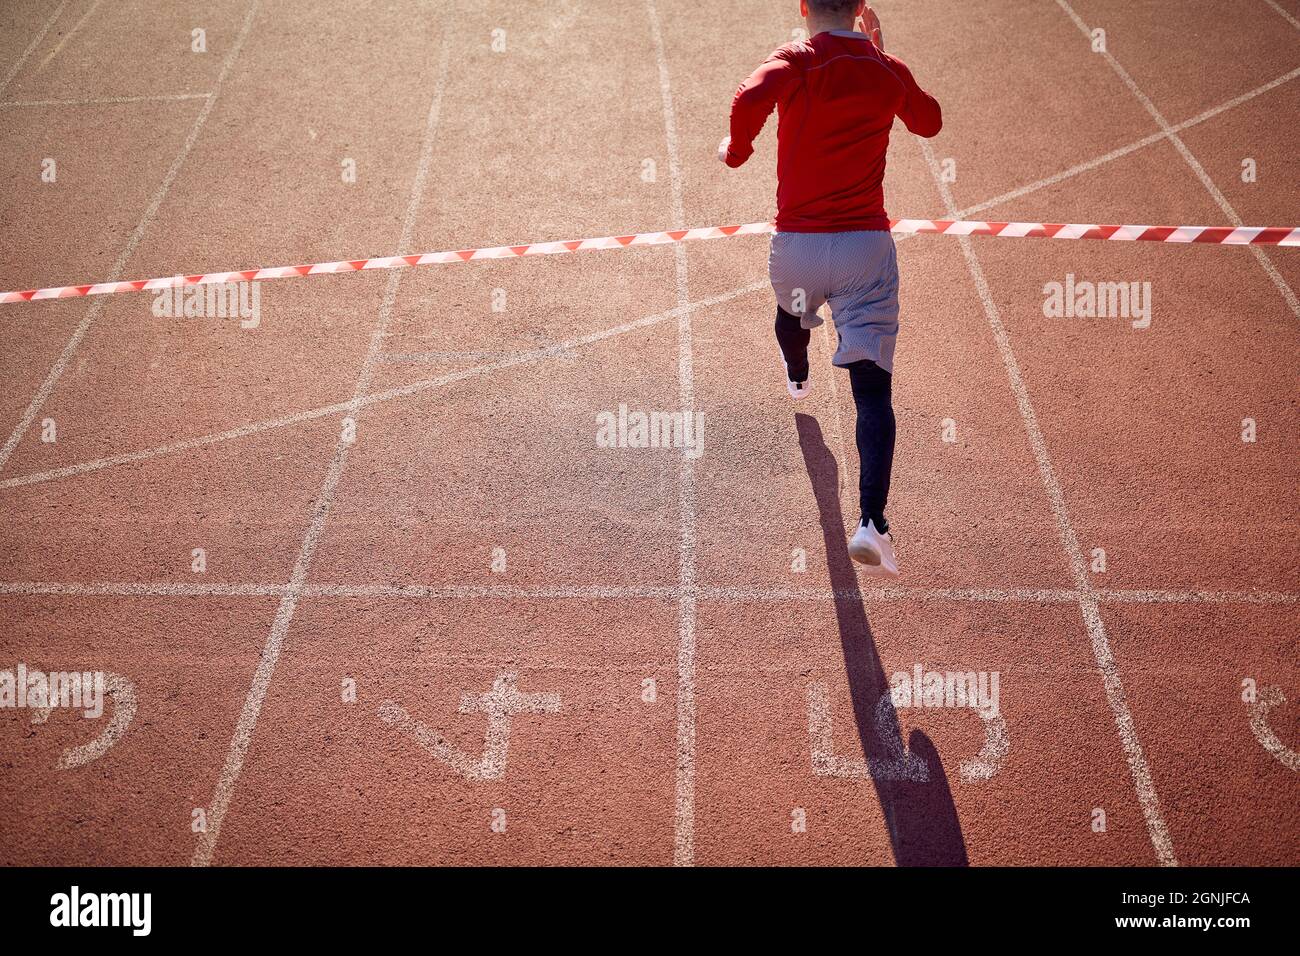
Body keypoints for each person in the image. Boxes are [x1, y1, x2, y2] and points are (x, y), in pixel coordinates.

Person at [718, 0, 942, 578]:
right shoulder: (886, 70)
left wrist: (737, 152)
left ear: (803, 6)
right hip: (865, 250)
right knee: (872, 391)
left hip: (798, 249)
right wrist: (885, 52)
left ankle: (798, 376)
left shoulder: (796, 60)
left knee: (791, 313)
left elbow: (748, 97)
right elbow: (929, 121)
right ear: (862, 7)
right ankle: (872, 523)